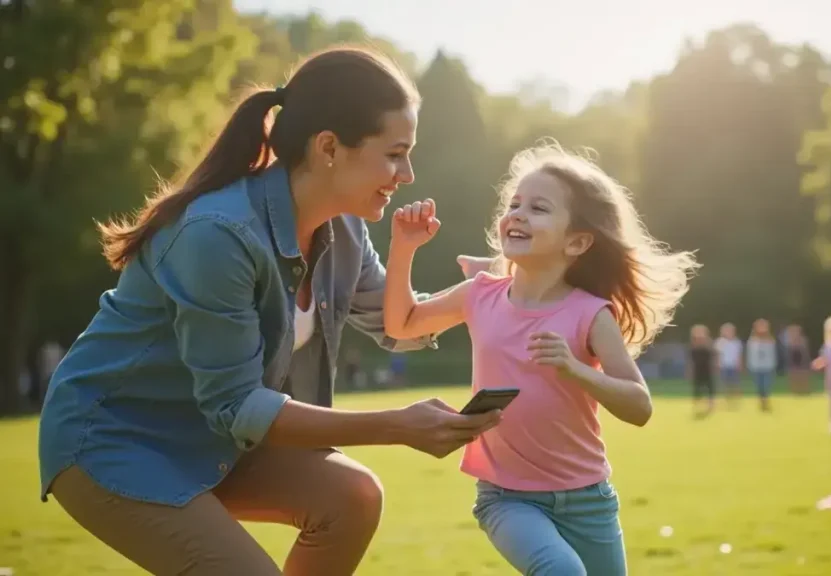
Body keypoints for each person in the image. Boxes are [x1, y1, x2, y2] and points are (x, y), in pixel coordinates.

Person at [36, 47, 502, 576]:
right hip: (114, 439)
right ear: (328, 146)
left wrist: (501, 287)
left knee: (352, 496)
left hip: (209, 436)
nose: (408, 174)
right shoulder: (219, 233)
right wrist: (396, 425)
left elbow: (402, 321)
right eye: (395, 154)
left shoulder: (344, 227)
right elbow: (236, 406)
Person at [381, 142, 698, 575]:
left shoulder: (591, 314)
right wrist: (403, 248)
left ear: (578, 241)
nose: (517, 214)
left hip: (589, 500)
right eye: (514, 204)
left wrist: (576, 369)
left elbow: (639, 407)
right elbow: (402, 324)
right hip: (508, 498)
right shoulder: (479, 295)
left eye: (538, 208)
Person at [746, 318, 777, 412]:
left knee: (766, 385)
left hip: (767, 367)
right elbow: (750, 354)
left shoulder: (770, 340)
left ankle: (765, 401)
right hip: (756, 367)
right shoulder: (752, 341)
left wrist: (773, 365)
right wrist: (749, 365)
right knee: (759, 386)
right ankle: (762, 402)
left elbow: (772, 354)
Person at [688, 325, 717, 414]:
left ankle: (711, 404)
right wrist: (689, 371)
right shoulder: (693, 348)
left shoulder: (708, 347)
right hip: (698, 371)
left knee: (710, 388)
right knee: (697, 389)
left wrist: (715, 368)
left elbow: (713, 358)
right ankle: (697, 404)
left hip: (707, 370)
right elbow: (691, 362)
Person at [714, 323, 744, 407]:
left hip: (734, 366)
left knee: (735, 383)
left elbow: (739, 355)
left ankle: (736, 400)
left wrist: (740, 365)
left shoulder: (737, 342)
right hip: (724, 366)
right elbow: (717, 355)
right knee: (725, 383)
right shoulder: (719, 342)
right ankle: (727, 399)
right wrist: (717, 365)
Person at [784, 324, 811, 394]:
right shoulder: (789, 342)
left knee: (803, 375)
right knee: (793, 376)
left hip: (802, 361)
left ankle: (804, 390)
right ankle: (795, 391)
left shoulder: (803, 340)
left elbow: (805, 352)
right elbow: (788, 354)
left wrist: (806, 361)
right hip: (793, 362)